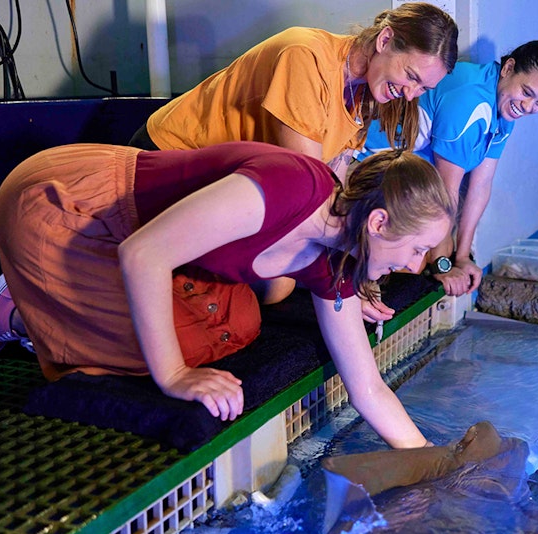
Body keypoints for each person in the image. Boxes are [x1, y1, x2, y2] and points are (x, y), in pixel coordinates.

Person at [0, 142, 454, 449]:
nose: (416, 266)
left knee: (237, 328)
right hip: (69, 204)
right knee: (167, 351)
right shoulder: (289, 188)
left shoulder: (337, 258)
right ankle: (21, 311)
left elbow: (367, 387)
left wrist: (428, 464)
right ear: (378, 222)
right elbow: (143, 254)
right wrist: (174, 375)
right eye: (417, 249)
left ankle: (57, 302)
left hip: (146, 240)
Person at [128, 2, 458, 317]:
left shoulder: (363, 94)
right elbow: (312, 197)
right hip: (170, 158)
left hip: (234, 183)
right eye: (411, 76)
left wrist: (360, 266)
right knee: (279, 283)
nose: (411, 94)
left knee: (283, 281)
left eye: (423, 88)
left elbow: (337, 189)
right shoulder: (305, 56)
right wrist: (350, 278)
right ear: (385, 40)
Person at [361, 41, 538, 297]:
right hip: (367, 168)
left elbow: (481, 185)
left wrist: (462, 257)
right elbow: (446, 191)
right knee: (415, 265)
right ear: (509, 68)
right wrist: (442, 264)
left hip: (405, 174)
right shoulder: (471, 100)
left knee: (429, 251)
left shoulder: (505, 106)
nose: (528, 107)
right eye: (527, 92)